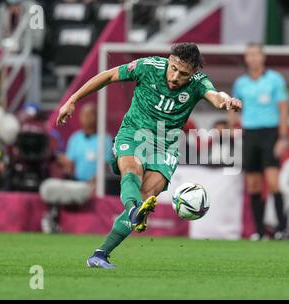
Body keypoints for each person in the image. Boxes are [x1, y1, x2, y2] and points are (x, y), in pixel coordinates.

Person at [56, 42, 242, 269]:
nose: (174, 77)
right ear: (169, 60)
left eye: (183, 73)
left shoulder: (198, 82)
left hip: (166, 145)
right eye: (173, 68)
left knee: (146, 196)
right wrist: (72, 100)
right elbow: (108, 75)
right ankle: (133, 209)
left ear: (193, 72)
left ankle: (101, 254)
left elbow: (215, 95)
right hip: (133, 134)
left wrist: (227, 101)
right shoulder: (149, 66)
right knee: (132, 171)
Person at [229, 43, 289, 240]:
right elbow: (234, 106)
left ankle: (282, 228)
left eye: (256, 54)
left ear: (263, 57)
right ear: (246, 59)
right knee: (253, 185)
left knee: (273, 182)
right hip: (250, 134)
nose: (253, 58)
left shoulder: (275, 80)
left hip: (270, 133)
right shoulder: (241, 83)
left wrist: (282, 137)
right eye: (249, 55)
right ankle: (260, 230)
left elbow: (283, 108)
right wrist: (233, 125)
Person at [40, 102, 112, 233]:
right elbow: (69, 164)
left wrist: (95, 182)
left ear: (97, 117)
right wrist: (56, 156)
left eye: (90, 115)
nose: (86, 118)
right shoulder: (75, 138)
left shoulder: (105, 139)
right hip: (76, 182)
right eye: (83, 115)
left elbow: (106, 166)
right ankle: (53, 221)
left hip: (96, 184)